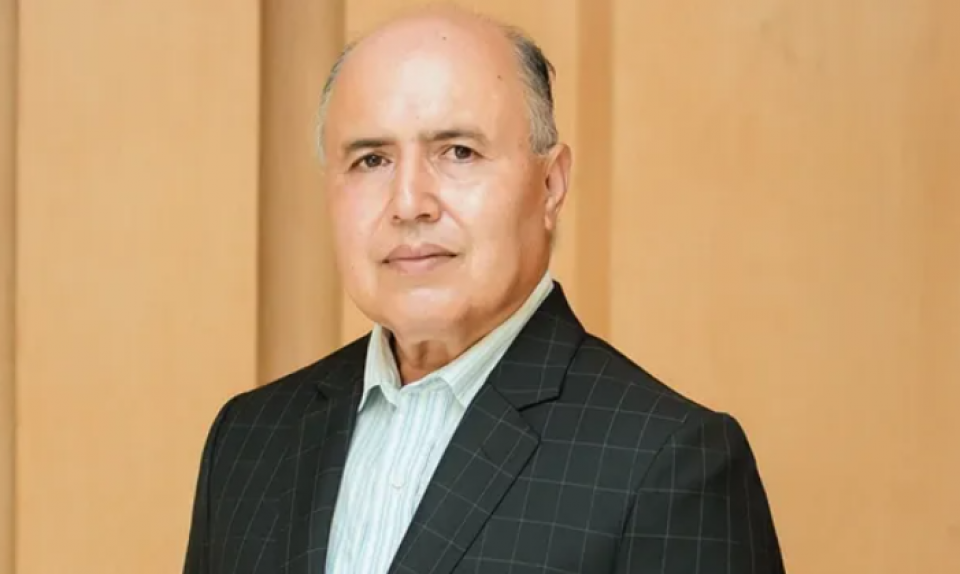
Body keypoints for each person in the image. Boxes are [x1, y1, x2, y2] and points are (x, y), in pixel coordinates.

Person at [182, 6, 784, 574]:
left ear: (550, 186)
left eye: (459, 152)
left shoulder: (670, 461)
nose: (409, 203)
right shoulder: (249, 439)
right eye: (371, 160)